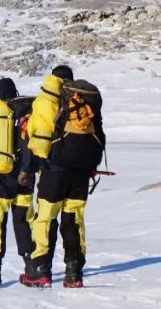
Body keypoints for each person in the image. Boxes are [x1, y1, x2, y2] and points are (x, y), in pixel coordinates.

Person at [23, 65, 105, 288]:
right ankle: (74, 273)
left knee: (45, 218)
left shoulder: (45, 100)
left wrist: (30, 169)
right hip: (81, 171)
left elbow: (37, 139)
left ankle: (40, 270)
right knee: (74, 219)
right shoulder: (82, 98)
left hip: (54, 169)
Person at [0, 78, 39, 287]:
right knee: (24, 219)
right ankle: (32, 267)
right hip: (26, 173)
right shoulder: (29, 111)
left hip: (3, 175)